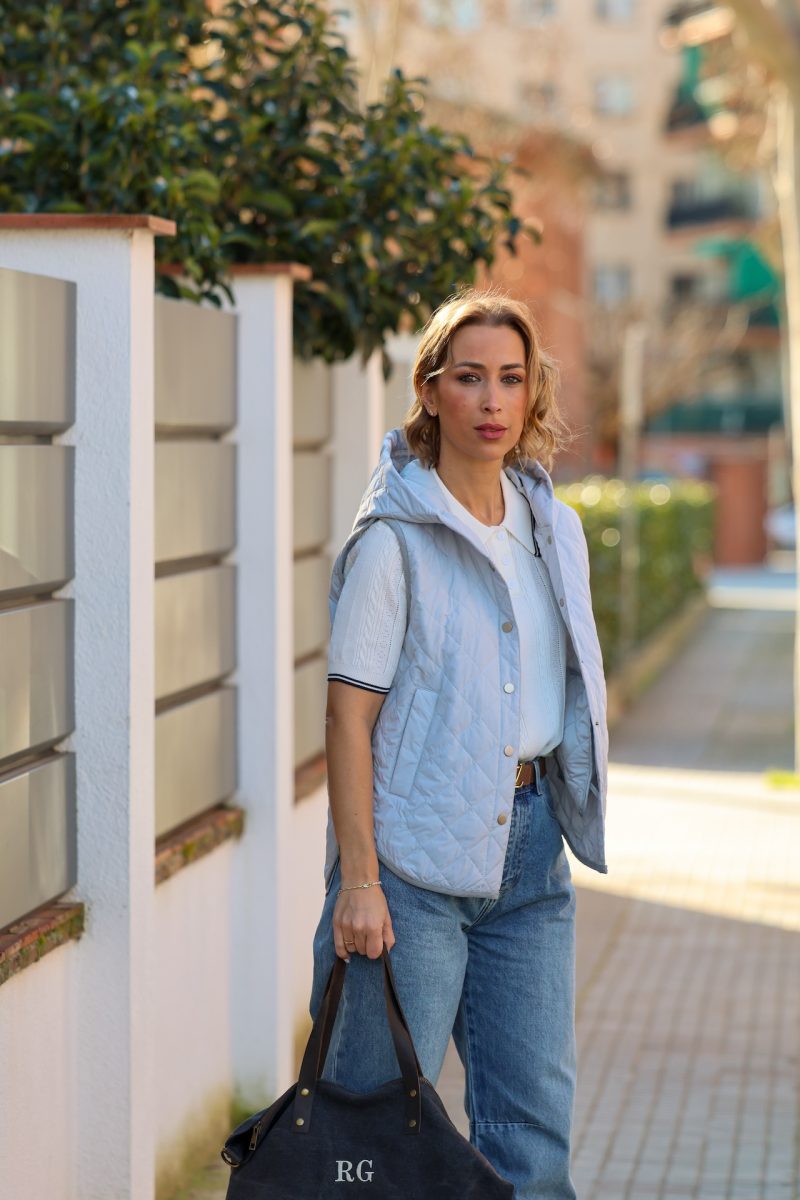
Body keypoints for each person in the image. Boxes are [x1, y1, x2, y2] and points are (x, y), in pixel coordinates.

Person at [308, 287, 609, 1200]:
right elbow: (348, 719)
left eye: (511, 379)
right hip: (410, 873)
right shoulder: (393, 541)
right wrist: (360, 882)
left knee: (533, 1142)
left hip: (530, 861)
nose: (491, 400)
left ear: (531, 394)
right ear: (431, 390)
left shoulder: (554, 530)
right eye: (470, 377)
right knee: (371, 1144)